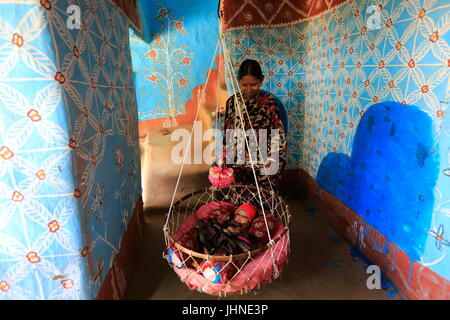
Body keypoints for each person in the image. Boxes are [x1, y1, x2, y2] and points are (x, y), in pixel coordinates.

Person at [219, 59, 287, 192]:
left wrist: (272, 158)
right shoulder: (232, 102)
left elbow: (277, 134)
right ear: (238, 81)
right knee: (224, 170)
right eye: (244, 85)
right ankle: (241, 211)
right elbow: (228, 134)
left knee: (269, 175)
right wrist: (225, 157)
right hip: (239, 158)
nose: (249, 89)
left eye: (254, 84)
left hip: (264, 156)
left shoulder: (269, 102)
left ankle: (264, 211)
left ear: (261, 80)